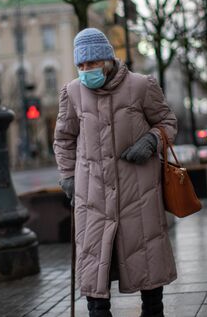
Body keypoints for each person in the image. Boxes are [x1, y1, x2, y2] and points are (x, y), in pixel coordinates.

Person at [53, 28, 178, 317]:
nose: (86, 71)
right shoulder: (72, 92)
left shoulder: (141, 86)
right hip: (92, 196)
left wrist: (151, 140)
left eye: (92, 64)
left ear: (107, 60)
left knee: (148, 270)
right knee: (95, 277)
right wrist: (68, 176)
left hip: (139, 193)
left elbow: (168, 121)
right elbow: (64, 139)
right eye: (81, 66)